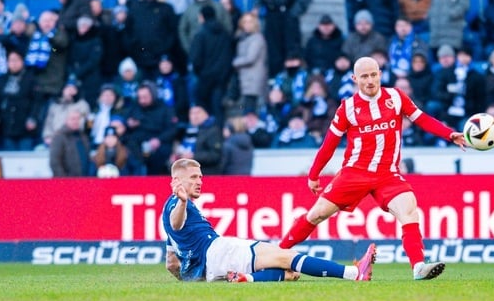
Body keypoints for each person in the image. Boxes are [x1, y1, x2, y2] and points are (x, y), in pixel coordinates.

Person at [279, 57, 467, 281]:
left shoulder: (396, 97)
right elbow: (329, 144)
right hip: (354, 173)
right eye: (364, 76)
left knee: (409, 211)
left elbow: (422, 119)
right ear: (354, 79)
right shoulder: (347, 108)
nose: (370, 80)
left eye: (373, 75)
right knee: (316, 215)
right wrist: (314, 175)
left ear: (380, 74)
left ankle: (418, 266)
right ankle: (275, 256)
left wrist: (450, 134)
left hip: (388, 174)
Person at [165, 158, 376, 283]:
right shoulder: (177, 205)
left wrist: (195, 279)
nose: (200, 181)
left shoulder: (168, 211)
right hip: (219, 251)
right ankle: (354, 273)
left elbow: (171, 263)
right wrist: (183, 202)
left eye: (200, 177)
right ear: (176, 181)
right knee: (286, 257)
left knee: (286, 269)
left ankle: (246, 279)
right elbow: (178, 222)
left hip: (214, 262)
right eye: (193, 177)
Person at [0, 50, 39, 151]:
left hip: (25, 127)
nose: (14, 63)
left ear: (22, 61)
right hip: (6, 127)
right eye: (11, 61)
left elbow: (37, 101)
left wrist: (32, 118)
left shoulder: (30, 79)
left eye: (16, 60)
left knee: (25, 160)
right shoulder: (2, 79)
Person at [232, 13, 268, 115]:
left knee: (249, 108)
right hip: (244, 79)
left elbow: (250, 58)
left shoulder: (257, 38)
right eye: (245, 22)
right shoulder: (242, 38)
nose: (247, 25)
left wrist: (234, 62)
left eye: (250, 22)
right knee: (244, 107)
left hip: (253, 79)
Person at [49, 107, 94, 177]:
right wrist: (64, 181)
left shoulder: (83, 136)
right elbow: (54, 162)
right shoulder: (59, 137)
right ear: (66, 120)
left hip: (84, 181)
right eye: (73, 119)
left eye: (78, 119)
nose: (76, 121)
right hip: (67, 183)